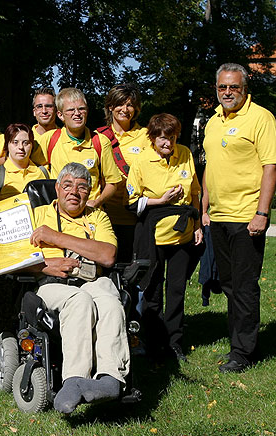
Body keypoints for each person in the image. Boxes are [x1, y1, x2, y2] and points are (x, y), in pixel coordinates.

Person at [27, 162, 127, 414]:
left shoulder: (97, 217)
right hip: (52, 284)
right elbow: (14, 260)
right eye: (68, 185)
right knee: (79, 300)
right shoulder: (36, 215)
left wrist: (55, 237)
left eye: (82, 187)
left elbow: (107, 255)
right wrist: (45, 265)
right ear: (57, 189)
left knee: (110, 303)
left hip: (94, 279)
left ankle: (110, 379)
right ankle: (74, 380)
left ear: (89, 193)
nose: (74, 192)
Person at [201, 63, 276, 373]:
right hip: (219, 217)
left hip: (247, 217)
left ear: (244, 88)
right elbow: (211, 166)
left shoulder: (261, 118)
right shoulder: (213, 122)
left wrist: (261, 213)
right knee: (230, 284)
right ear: (216, 89)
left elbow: (271, 166)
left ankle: (243, 352)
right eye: (223, 87)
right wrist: (205, 207)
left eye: (234, 87)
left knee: (245, 285)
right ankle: (238, 341)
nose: (228, 92)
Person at [127, 113, 203, 362]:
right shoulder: (141, 161)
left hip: (183, 234)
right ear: (152, 138)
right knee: (152, 290)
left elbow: (194, 193)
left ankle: (175, 342)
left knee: (177, 290)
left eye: (171, 138)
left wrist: (199, 223)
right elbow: (131, 202)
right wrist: (160, 200)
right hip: (154, 235)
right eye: (161, 138)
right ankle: (153, 341)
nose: (167, 143)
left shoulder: (185, 154)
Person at [32, 88, 122, 209]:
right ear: (60, 115)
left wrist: (97, 202)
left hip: (91, 215)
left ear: (87, 111)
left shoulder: (100, 141)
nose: (77, 113)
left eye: (81, 109)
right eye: (70, 110)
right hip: (59, 215)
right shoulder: (49, 139)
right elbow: (28, 165)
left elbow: (113, 182)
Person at [96, 84, 149, 262]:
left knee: (133, 271)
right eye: (120, 104)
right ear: (110, 106)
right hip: (105, 215)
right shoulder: (98, 137)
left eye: (130, 105)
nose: (125, 110)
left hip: (136, 216)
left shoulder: (147, 136)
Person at [0, 123, 49, 201]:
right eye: (15, 142)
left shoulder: (42, 172)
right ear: (7, 145)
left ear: (32, 145)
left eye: (26, 143)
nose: (21, 147)